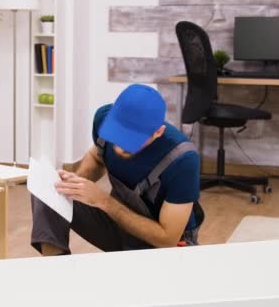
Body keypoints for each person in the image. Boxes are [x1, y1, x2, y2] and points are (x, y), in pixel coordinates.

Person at [31, 84, 203, 255]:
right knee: (49, 191)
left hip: (162, 245)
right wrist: (74, 184)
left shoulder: (183, 159)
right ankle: (57, 271)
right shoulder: (103, 119)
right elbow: (97, 158)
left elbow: (167, 239)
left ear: (158, 132)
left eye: (131, 140)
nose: (120, 146)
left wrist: (103, 201)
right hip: (117, 221)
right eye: (118, 133)